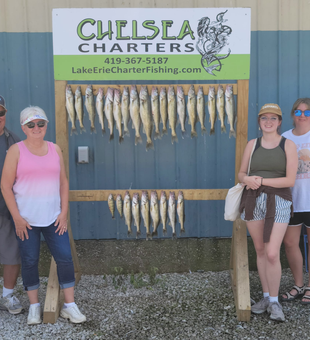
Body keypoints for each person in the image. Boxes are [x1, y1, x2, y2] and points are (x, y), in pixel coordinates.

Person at [1, 106, 86, 325]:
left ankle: (70, 305)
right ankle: (34, 307)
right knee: (30, 261)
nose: (36, 128)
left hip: (53, 218)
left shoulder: (55, 149)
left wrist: (64, 212)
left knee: (65, 259)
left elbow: (63, 182)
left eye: (40, 123)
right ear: (23, 127)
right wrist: (17, 218)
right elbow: (5, 186)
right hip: (26, 221)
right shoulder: (15, 151)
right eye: (31, 124)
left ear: (46, 125)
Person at [238, 103, 298, 322]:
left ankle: (274, 301)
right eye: (265, 118)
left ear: (280, 122)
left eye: (274, 118)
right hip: (253, 200)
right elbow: (241, 173)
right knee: (260, 250)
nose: (269, 122)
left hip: (279, 200)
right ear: (259, 122)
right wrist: (246, 179)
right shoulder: (252, 145)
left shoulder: (287, 145)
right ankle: (265, 297)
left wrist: (261, 180)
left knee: (273, 253)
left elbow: (289, 180)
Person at [281, 98, 310, 304]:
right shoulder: (284, 138)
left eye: (307, 112)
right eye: (298, 112)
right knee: (290, 243)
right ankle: (298, 285)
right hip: (291, 199)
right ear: (292, 115)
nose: (302, 116)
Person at [0, 95, 24, 315]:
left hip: (8, 209)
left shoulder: (15, 141)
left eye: (0, 113)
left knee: (11, 253)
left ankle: (7, 295)